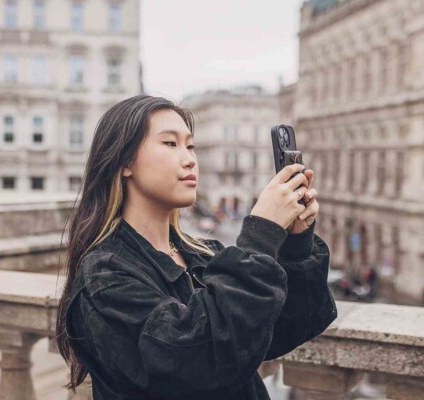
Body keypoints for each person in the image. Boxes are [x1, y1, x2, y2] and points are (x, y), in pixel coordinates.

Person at [55, 95, 337, 400]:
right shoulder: (105, 276)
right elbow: (196, 362)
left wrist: (295, 243)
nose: (190, 159)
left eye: (191, 146)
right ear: (124, 162)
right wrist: (261, 233)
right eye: (170, 144)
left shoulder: (203, 254)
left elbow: (280, 330)